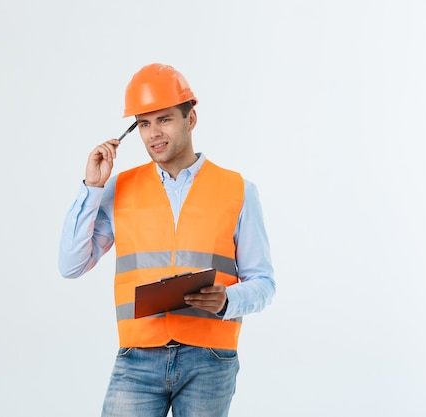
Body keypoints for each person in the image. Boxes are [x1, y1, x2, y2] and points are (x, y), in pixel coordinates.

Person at [58, 63, 275, 417]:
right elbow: (71, 264)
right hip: (137, 359)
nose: (153, 134)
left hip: (211, 359)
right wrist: (92, 187)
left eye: (164, 120)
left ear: (190, 119)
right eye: (144, 123)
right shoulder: (118, 188)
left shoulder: (239, 191)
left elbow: (264, 283)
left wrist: (226, 300)